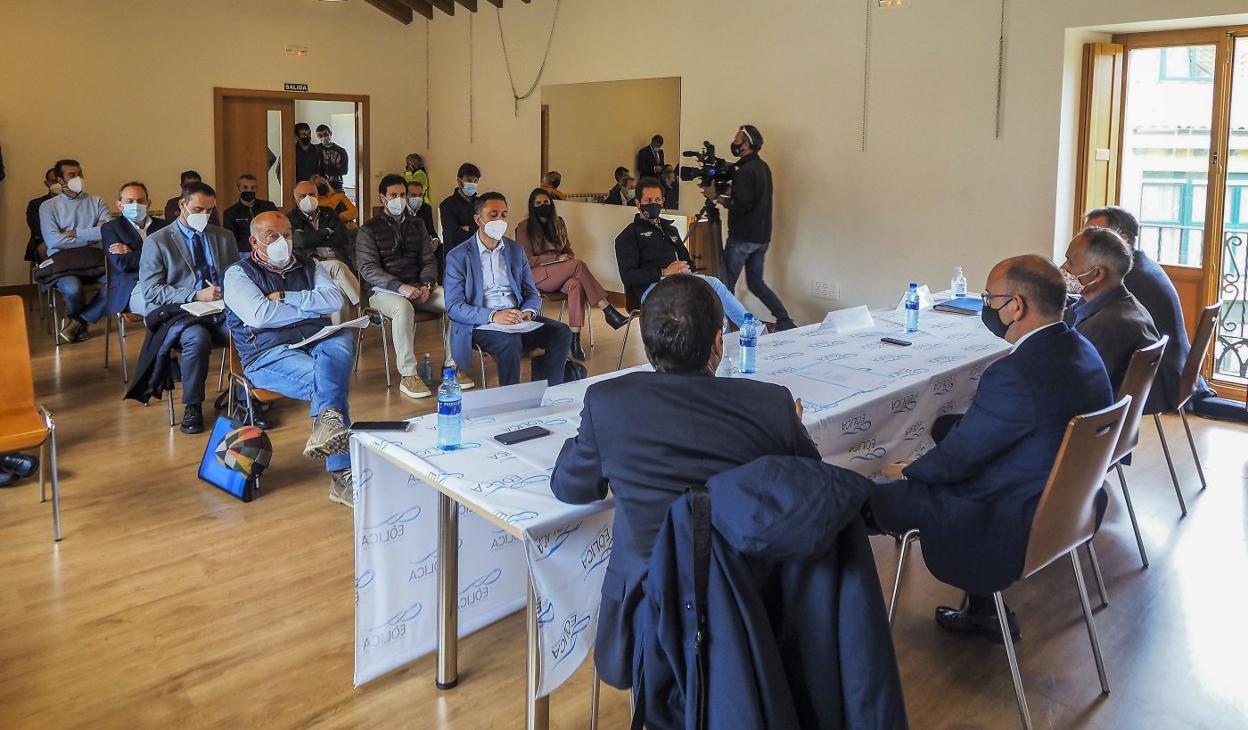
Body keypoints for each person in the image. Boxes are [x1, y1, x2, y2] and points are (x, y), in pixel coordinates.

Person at [550, 274, 819, 689]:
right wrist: (791, 429)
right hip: (748, 606)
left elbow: (571, 487)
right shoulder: (771, 405)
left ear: (646, 340)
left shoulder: (608, 403)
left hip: (644, 612)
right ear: (719, 342)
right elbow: (811, 485)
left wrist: (590, 438)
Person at [867, 255, 1114, 643]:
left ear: (1016, 305)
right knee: (948, 427)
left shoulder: (1015, 373)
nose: (987, 307)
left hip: (1006, 515)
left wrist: (906, 469)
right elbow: (976, 441)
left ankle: (852, 624)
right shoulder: (1081, 347)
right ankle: (982, 611)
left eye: (990, 298)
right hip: (1066, 507)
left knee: (857, 496)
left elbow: (959, 462)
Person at [222, 211, 356, 507]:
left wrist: (284, 298)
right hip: (268, 354)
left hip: (317, 339)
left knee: (343, 338)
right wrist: (310, 307)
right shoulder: (237, 274)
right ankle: (341, 472)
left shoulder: (310, 264)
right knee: (329, 380)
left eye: (287, 234)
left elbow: (334, 301)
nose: (282, 241)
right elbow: (260, 315)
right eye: (273, 236)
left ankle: (327, 429)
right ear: (254, 241)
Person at [1084, 206, 1214, 408]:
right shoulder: (1143, 264)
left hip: (1157, 380)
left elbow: (1091, 322)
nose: (1087, 243)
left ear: (1123, 239)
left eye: (1096, 236)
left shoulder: (1127, 278)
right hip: (1174, 369)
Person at [356, 174, 472, 398]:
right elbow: (368, 269)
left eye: (403, 195)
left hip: (419, 287)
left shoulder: (417, 225)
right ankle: (408, 375)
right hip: (383, 291)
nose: (399, 200)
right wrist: (400, 287)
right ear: (382, 198)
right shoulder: (368, 230)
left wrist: (427, 284)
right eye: (393, 195)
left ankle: (452, 366)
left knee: (455, 302)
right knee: (403, 308)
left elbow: (429, 259)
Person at [444, 192, 573, 387]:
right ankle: (510, 397)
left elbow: (530, 292)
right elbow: (454, 307)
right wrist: (494, 315)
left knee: (561, 332)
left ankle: (548, 390)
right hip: (481, 323)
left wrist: (528, 312)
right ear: (478, 219)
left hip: (517, 318)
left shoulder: (515, 250)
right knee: (509, 343)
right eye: (493, 215)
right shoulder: (458, 256)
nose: (500, 220)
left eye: (504, 214)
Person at [137, 181, 236, 434]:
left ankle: (246, 396)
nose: (204, 216)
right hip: (180, 312)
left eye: (210, 211)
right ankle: (193, 405)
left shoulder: (223, 237)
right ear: (182, 205)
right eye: (199, 209)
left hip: (220, 309)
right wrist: (195, 294)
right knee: (196, 338)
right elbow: (151, 291)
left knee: (246, 330)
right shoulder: (157, 241)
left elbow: (237, 275)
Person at [615, 177, 750, 326]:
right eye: (648, 200)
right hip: (651, 288)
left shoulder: (670, 230)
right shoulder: (628, 236)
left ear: (663, 201)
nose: (654, 204)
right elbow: (628, 276)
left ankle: (752, 330)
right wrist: (663, 272)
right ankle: (702, 342)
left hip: (681, 281)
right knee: (694, 301)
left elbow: (688, 261)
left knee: (715, 285)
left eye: (658, 199)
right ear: (638, 203)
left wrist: (686, 269)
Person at [516, 188, 630, 360]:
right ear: (532, 206)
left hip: (560, 272)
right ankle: (608, 310)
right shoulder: (524, 227)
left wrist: (567, 257)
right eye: (538, 203)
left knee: (576, 284)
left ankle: (574, 340)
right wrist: (557, 258)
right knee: (578, 265)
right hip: (537, 275)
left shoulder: (558, 223)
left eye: (546, 202)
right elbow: (527, 260)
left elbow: (567, 249)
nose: (542, 205)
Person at [1060, 227, 1169, 403]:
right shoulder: (1126, 304)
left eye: (1069, 262)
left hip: (1087, 422)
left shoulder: (1107, 326)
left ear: (1097, 273)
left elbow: (1070, 385)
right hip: (1111, 419)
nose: (1063, 267)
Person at [706, 124, 796, 331]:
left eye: (737, 139)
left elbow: (742, 205)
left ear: (746, 144)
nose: (734, 143)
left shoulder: (745, 171)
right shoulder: (762, 167)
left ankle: (732, 329)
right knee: (755, 283)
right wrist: (732, 190)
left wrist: (718, 198)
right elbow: (752, 198)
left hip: (742, 238)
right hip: (761, 237)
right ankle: (784, 320)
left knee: (724, 287)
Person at [38, 159, 112, 343]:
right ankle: (78, 324)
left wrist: (74, 233)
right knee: (72, 289)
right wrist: (92, 234)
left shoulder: (97, 202)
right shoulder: (48, 206)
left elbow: (108, 232)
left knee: (118, 283)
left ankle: (79, 321)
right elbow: (53, 241)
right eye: (72, 175)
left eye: (79, 174)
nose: (77, 178)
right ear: (60, 180)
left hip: (94, 260)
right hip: (65, 262)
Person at [289, 181, 361, 324]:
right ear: (296, 199)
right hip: (311, 266)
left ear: (317, 195)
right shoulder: (291, 219)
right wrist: (327, 232)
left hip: (338, 261)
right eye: (302, 196)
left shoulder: (329, 213)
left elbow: (342, 237)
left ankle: (342, 335)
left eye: (311, 194)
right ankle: (364, 304)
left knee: (338, 293)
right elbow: (301, 242)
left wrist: (313, 237)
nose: (308, 199)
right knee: (337, 266)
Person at [101, 181, 170, 317]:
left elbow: (173, 258)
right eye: (130, 201)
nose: (135, 205)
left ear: (148, 203)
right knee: (159, 310)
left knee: (186, 303)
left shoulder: (165, 226)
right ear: (120, 205)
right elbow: (123, 264)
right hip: (132, 286)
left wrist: (132, 251)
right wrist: (156, 256)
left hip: (167, 281)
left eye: (140, 201)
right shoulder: (111, 228)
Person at [221, 174, 278, 251]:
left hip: (269, 248)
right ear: (238, 189)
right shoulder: (230, 213)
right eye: (245, 187)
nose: (249, 190)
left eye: (253, 188)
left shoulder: (268, 207)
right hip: (244, 252)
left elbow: (278, 227)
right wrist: (252, 247)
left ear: (256, 189)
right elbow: (231, 239)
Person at [405, 179, 442, 282]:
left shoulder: (426, 208)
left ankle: (435, 282)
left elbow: (431, 230)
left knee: (441, 250)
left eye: (420, 195)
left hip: (425, 245)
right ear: (406, 196)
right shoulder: (400, 210)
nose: (417, 198)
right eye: (413, 195)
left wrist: (435, 240)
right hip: (408, 245)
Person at [439, 162, 480, 253]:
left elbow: (486, 231)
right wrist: (476, 229)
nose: (472, 184)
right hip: (455, 256)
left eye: (475, 181)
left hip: (477, 255)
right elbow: (452, 235)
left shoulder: (481, 203)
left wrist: (468, 228)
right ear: (459, 181)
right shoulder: (447, 205)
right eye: (469, 180)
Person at [25, 167, 59, 264]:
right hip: (45, 242)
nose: (58, 184)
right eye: (54, 181)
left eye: (61, 180)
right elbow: (39, 228)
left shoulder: (75, 203)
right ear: (46, 183)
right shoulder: (36, 204)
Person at [315, 124, 349, 193]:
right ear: (317, 137)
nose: (323, 137)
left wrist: (328, 174)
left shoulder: (341, 151)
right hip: (319, 186)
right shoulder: (315, 149)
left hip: (337, 186)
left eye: (325, 134)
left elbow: (344, 170)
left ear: (330, 133)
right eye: (320, 136)